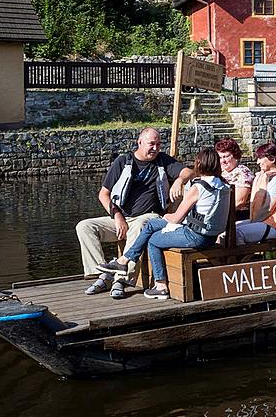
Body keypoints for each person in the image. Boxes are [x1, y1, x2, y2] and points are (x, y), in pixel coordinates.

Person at [95, 148, 231, 299]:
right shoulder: (224, 185)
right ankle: (124, 260)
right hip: (211, 235)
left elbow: (176, 219)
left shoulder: (198, 187)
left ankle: (160, 285)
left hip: (196, 236)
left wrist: (165, 215)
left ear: (199, 164)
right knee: (151, 225)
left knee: (153, 240)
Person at [76, 127, 191, 298]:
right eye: (151, 144)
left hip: (150, 216)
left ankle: (122, 279)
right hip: (122, 217)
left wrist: (179, 180)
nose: (155, 148)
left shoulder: (162, 161)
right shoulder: (123, 161)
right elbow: (103, 194)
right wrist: (117, 215)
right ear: (140, 142)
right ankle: (103, 273)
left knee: (139, 226)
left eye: (158, 144)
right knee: (85, 226)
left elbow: (189, 171)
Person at [236, 143, 276, 245]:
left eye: (260, 158)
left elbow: (267, 209)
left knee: (236, 233)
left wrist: (253, 222)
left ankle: (244, 259)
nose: (257, 162)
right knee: (232, 228)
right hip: (266, 221)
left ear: (272, 159)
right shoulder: (268, 177)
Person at [215, 138, 254, 223]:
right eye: (220, 157)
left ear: (235, 155)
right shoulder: (219, 171)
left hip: (237, 215)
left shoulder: (243, 173)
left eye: (226, 156)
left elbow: (239, 202)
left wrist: (217, 215)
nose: (222, 161)